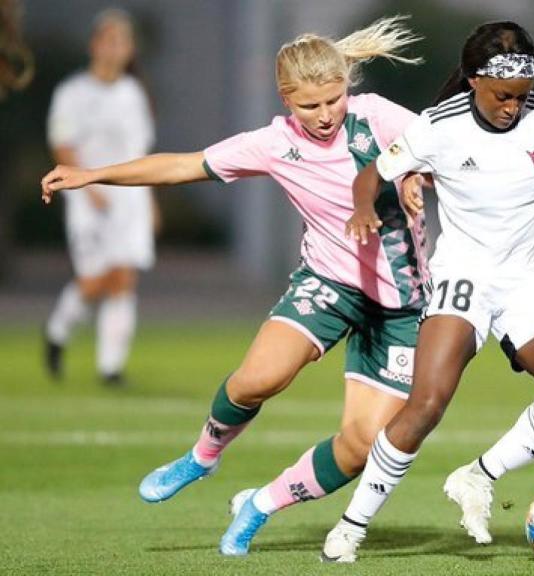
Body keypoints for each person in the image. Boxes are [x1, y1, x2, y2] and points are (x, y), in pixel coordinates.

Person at [41, 16, 429, 556]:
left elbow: (438, 146)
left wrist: (413, 173)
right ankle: (202, 457)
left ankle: (261, 503)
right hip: (328, 285)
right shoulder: (272, 144)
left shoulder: (376, 116)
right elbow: (181, 165)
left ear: (347, 89)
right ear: (285, 100)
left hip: (402, 307)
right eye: (308, 106)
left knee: (363, 446)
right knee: (255, 380)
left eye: (333, 100)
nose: (323, 115)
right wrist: (91, 174)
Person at [322, 20, 534, 563]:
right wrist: (361, 211)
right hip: (462, 276)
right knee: (425, 403)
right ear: (473, 81)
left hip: (528, 279)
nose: (513, 108)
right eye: (502, 96)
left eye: (520, 97)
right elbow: (371, 177)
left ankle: (479, 474)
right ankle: (352, 527)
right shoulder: (438, 127)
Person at [43, 9, 156, 385]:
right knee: (96, 280)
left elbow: (143, 154)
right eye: (109, 40)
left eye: (123, 42)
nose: (116, 49)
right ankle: (58, 329)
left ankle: (111, 367)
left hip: (129, 200)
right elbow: (63, 144)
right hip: (87, 199)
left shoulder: (132, 94)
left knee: (124, 277)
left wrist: (150, 200)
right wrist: (89, 189)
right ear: (95, 45)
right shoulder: (72, 92)